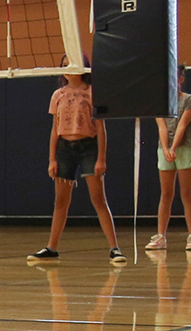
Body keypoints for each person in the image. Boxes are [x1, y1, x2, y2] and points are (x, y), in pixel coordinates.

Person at [30, 68, 125, 264]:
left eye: (71, 64)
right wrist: (52, 159)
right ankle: (52, 248)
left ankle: (115, 248)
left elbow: (101, 127)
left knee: (98, 199)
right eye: (65, 65)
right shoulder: (58, 95)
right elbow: (54, 129)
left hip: (88, 147)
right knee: (61, 202)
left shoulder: (93, 92)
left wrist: (101, 158)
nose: (68, 69)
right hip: (65, 150)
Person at [149, 64, 191, 252]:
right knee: (166, 194)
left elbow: (182, 126)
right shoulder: (159, 102)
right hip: (165, 150)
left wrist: (174, 147)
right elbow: (162, 127)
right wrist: (165, 148)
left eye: (174, 77)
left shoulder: (189, 100)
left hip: (184, 148)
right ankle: (161, 236)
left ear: (180, 80)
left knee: (186, 193)